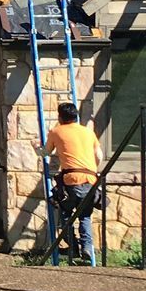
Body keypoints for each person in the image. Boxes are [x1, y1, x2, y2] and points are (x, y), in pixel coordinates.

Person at [44, 101, 100, 262]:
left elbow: (46, 152)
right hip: (91, 179)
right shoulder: (88, 132)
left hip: (71, 180)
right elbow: (99, 155)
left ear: (60, 117)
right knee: (85, 216)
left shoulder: (57, 131)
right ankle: (87, 248)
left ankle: (73, 248)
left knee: (66, 214)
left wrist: (36, 148)